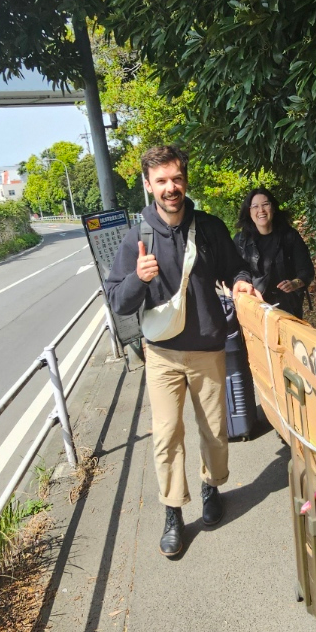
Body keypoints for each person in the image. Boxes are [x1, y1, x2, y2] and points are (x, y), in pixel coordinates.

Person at [104, 145, 259, 558]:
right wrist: (138, 278)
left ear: (185, 180)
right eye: (161, 181)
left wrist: (242, 282)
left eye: (176, 178)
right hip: (163, 354)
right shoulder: (139, 237)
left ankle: (212, 487)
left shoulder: (207, 227)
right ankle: (173, 510)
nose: (170, 188)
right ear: (147, 185)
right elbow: (117, 300)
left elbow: (236, 266)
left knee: (214, 432)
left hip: (208, 348)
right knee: (167, 435)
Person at [234, 187, 315, 318]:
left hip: (287, 308)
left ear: (273, 208)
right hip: (254, 307)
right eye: (255, 206)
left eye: (265, 204)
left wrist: (295, 283)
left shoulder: (290, 236)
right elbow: (236, 271)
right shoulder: (241, 241)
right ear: (249, 212)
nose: (261, 210)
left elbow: (306, 270)